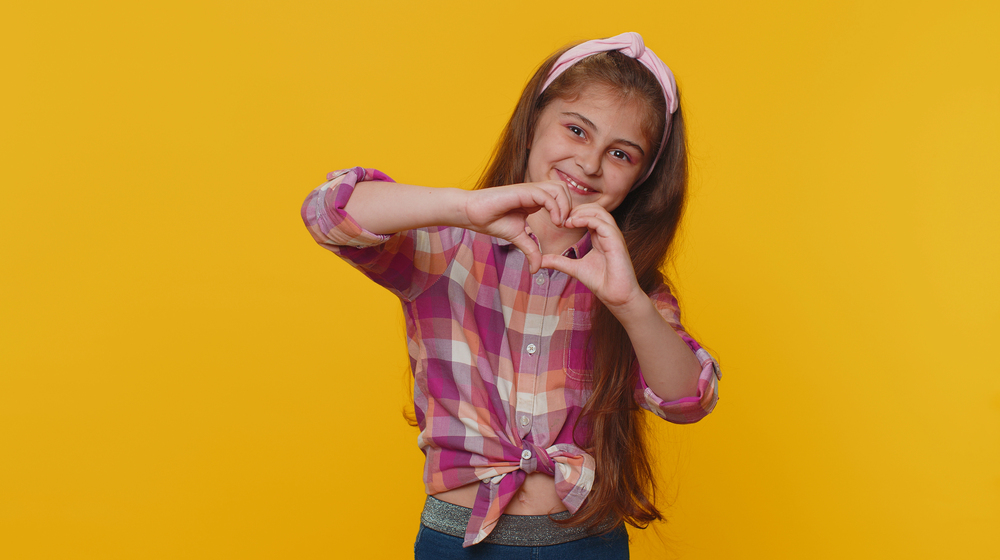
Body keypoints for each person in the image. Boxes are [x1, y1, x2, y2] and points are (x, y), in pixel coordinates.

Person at [301, 32, 721, 559]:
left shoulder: (630, 284)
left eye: (620, 153)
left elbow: (689, 400)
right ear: (531, 128)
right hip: (459, 540)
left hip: (587, 542)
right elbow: (329, 213)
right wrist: (461, 207)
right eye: (575, 129)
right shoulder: (446, 247)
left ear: (642, 178)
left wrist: (631, 305)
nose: (589, 164)